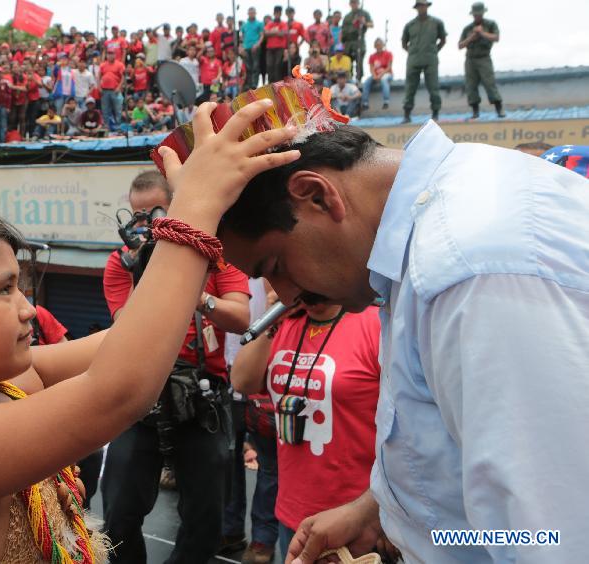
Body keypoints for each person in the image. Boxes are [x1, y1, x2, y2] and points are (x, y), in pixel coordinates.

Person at [0, 99, 297, 563]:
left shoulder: (8, 383)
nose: (28, 309)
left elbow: (123, 346)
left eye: (21, 286)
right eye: (4, 291)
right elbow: (119, 390)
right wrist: (193, 209)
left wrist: (187, 231)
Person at [206, 113, 589, 562]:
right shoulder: (443, 228)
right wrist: (379, 512)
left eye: (275, 267)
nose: (287, 296)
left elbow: (552, 541)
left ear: (316, 195)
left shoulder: (467, 272)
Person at [102, 171, 251, 563]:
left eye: (154, 212)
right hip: (142, 395)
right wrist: (147, 272)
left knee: (206, 519)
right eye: (136, 215)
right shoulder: (121, 264)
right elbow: (126, 328)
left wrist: (194, 292)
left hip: (202, 398)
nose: (144, 224)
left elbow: (239, 316)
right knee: (117, 515)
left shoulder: (213, 254)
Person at [231, 288, 381, 561]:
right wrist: (272, 318)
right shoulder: (285, 324)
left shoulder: (374, 322)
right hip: (293, 509)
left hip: (355, 516)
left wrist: (379, 515)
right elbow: (242, 381)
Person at [401, 0, 447, 123]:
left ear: (427, 6)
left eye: (424, 6)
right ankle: (407, 114)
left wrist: (434, 51)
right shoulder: (410, 25)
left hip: (430, 59)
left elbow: (443, 39)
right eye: (419, 6)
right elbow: (404, 43)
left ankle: (435, 113)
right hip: (413, 60)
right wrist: (412, 52)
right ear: (416, 8)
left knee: (433, 87)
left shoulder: (437, 23)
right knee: (410, 88)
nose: (422, 8)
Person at [459, 2, 504, 119]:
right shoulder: (468, 29)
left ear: (483, 13)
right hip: (470, 59)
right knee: (471, 85)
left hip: (484, 58)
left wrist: (482, 33)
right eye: (475, 15)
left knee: (489, 83)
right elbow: (460, 45)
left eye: (479, 14)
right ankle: (475, 111)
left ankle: (499, 109)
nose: (477, 16)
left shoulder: (490, 24)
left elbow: (496, 37)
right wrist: (472, 37)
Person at [341, 0, 373, 83]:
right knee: (348, 63)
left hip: (359, 42)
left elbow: (371, 24)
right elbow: (343, 30)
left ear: (358, 3)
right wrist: (342, 43)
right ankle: (349, 81)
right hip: (348, 43)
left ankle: (359, 80)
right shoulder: (347, 16)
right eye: (352, 2)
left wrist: (363, 22)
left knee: (359, 62)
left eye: (355, 2)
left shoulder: (363, 13)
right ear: (350, 4)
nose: (354, 4)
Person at [361, 38, 393, 112]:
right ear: (375, 46)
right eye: (377, 45)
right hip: (376, 75)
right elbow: (371, 68)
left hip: (387, 74)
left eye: (380, 45)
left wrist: (381, 75)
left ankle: (386, 101)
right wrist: (375, 75)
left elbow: (389, 67)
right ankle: (365, 103)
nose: (379, 46)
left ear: (383, 45)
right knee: (366, 82)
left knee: (384, 80)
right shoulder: (372, 56)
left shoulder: (388, 54)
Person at [99, 50, 126, 131]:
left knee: (118, 109)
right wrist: (99, 87)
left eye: (112, 54)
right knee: (105, 110)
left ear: (115, 55)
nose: (110, 56)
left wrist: (119, 87)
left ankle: (118, 127)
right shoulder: (103, 65)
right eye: (109, 54)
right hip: (104, 90)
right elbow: (98, 76)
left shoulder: (120, 65)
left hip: (115, 90)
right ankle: (106, 127)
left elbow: (123, 77)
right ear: (106, 55)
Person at [241, 7, 265, 90]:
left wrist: (257, 44)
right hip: (246, 47)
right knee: (248, 67)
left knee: (255, 66)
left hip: (255, 47)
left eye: (253, 12)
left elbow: (262, 35)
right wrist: (243, 47)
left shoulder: (259, 23)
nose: (251, 14)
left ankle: (254, 84)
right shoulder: (244, 25)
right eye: (250, 12)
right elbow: (242, 37)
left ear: (255, 13)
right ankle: (249, 84)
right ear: (248, 13)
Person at [264, 5, 288, 84]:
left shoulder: (284, 23)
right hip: (270, 48)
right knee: (269, 66)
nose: (277, 14)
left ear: (281, 13)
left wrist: (272, 32)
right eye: (276, 12)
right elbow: (265, 33)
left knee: (278, 66)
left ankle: (278, 85)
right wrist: (276, 31)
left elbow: (282, 33)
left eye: (279, 13)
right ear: (274, 13)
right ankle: (270, 84)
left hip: (280, 48)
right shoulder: (270, 23)